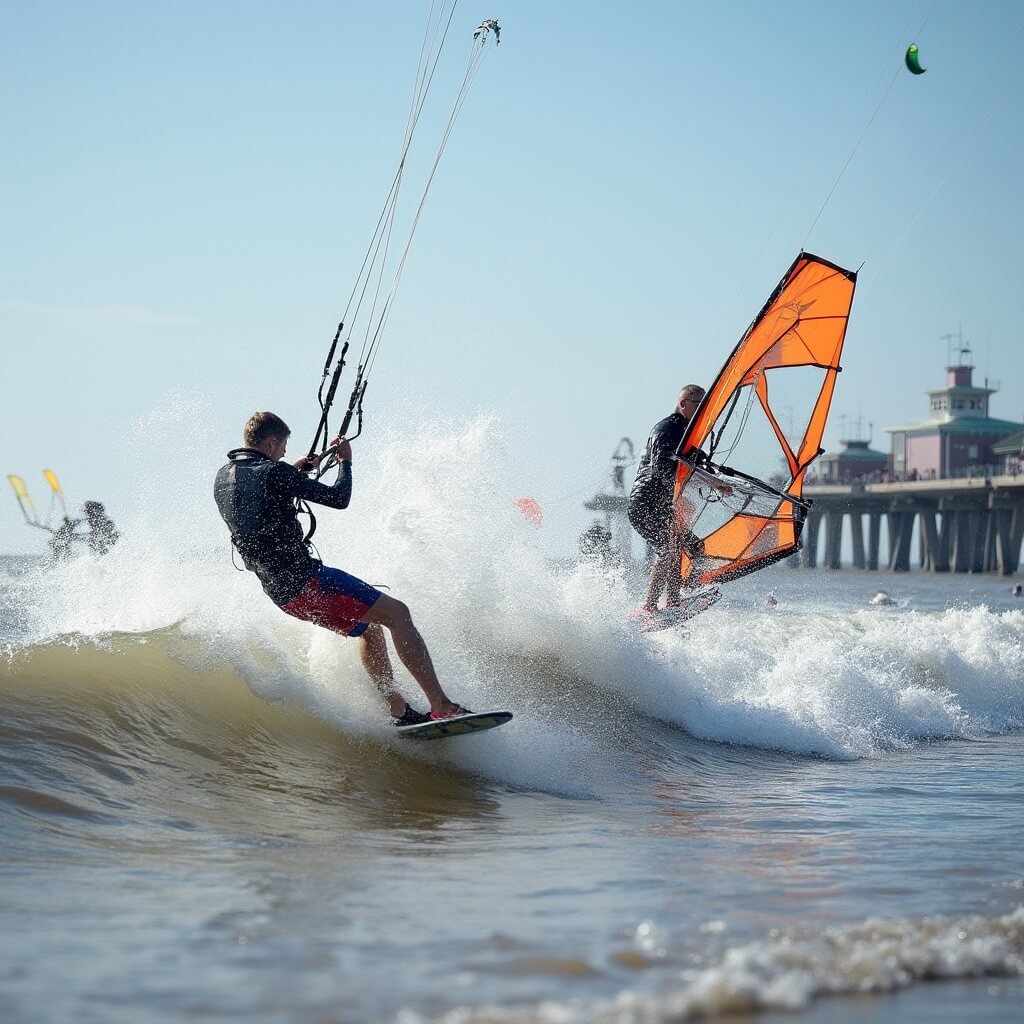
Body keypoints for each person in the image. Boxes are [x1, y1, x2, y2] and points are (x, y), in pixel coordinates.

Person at [214, 411, 468, 726]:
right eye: (282, 447)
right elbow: (339, 498)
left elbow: (259, 500)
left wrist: (293, 471)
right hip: (308, 582)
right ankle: (442, 705)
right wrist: (346, 462)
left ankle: (398, 710)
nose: (283, 453)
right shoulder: (275, 473)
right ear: (270, 441)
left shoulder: (225, 477)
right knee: (398, 614)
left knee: (371, 630)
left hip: (282, 597)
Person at [627, 384, 707, 616]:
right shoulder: (667, 429)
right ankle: (649, 606)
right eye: (698, 405)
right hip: (644, 505)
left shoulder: (687, 433)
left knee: (695, 548)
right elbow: (662, 467)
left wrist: (714, 480)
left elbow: (695, 464)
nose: (702, 410)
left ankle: (676, 598)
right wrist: (684, 493)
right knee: (669, 550)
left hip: (664, 507)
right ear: (683, 404)